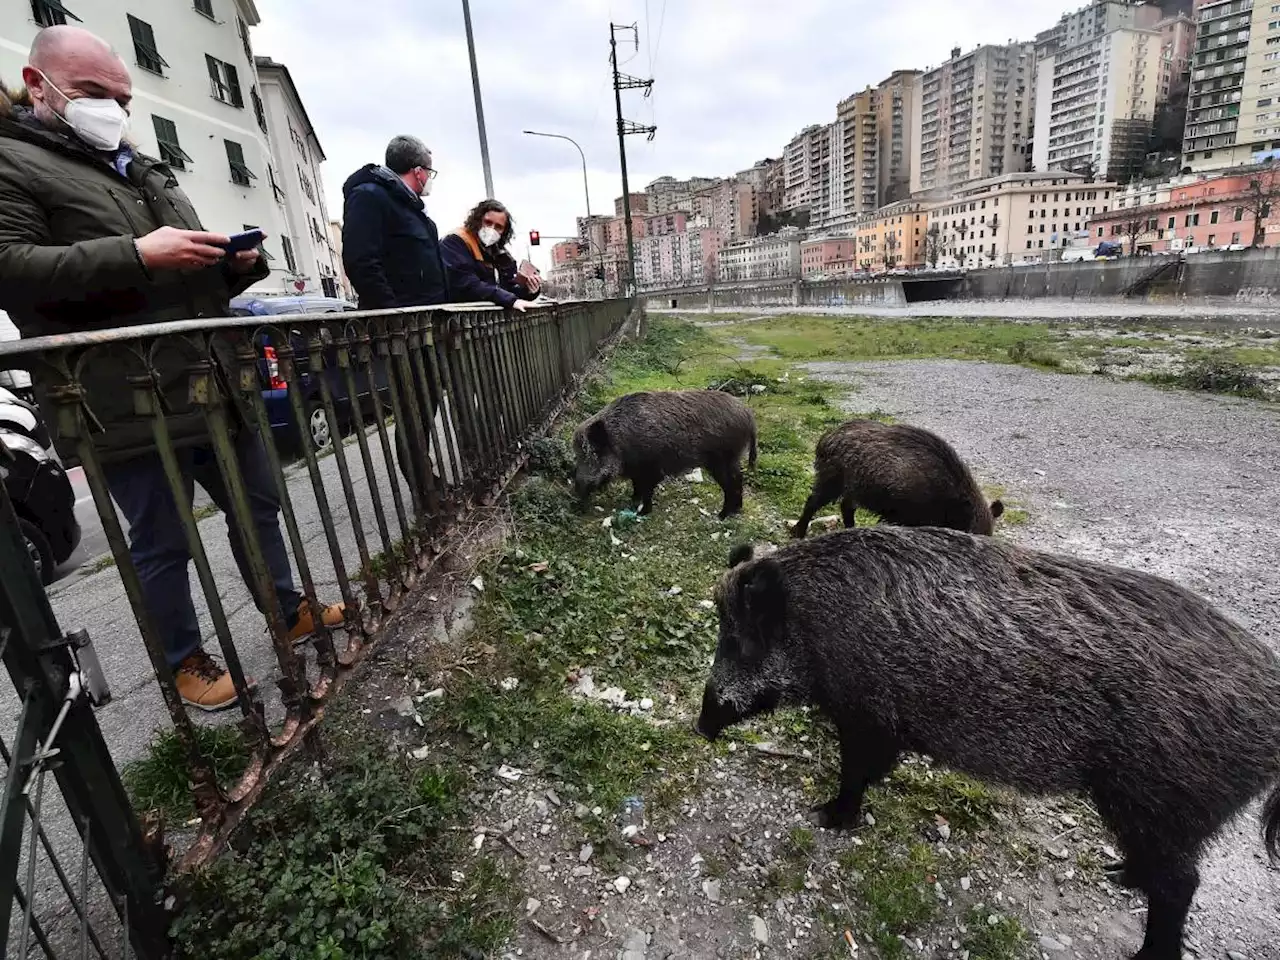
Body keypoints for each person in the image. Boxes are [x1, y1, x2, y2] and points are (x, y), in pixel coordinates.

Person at [0, 26, 343, 712]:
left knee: (260, 505)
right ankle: (183, 661)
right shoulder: (12, 163)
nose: (114, 110)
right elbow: (12, 271)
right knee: (162, 538)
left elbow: (185, 276)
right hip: (119, 396)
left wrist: (238, 264)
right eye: (95, 94)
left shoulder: (139, 166)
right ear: (39, 86)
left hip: (209, 379)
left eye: (122, 97)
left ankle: (288, 609)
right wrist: (136, 254)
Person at [340, 136, 447, 498]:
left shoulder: (411, 210)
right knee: (413, 413)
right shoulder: (371, 197)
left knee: (424, 409)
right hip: (403, 331)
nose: (430, 178)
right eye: (429, 171)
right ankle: (425, 490)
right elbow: (361, 262)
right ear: (418, 171)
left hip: (424, 329)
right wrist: (395, 316)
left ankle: (427, 481)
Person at [440, 200, 541, 310]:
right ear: (478, 221)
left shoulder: (501, 254)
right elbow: (466, 284)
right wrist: (509, 299)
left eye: (498, 227)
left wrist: (528, 289)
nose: (492, 229)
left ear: (504, 231)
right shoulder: (456, 242)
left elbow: (508, 290)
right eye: (488, 222)